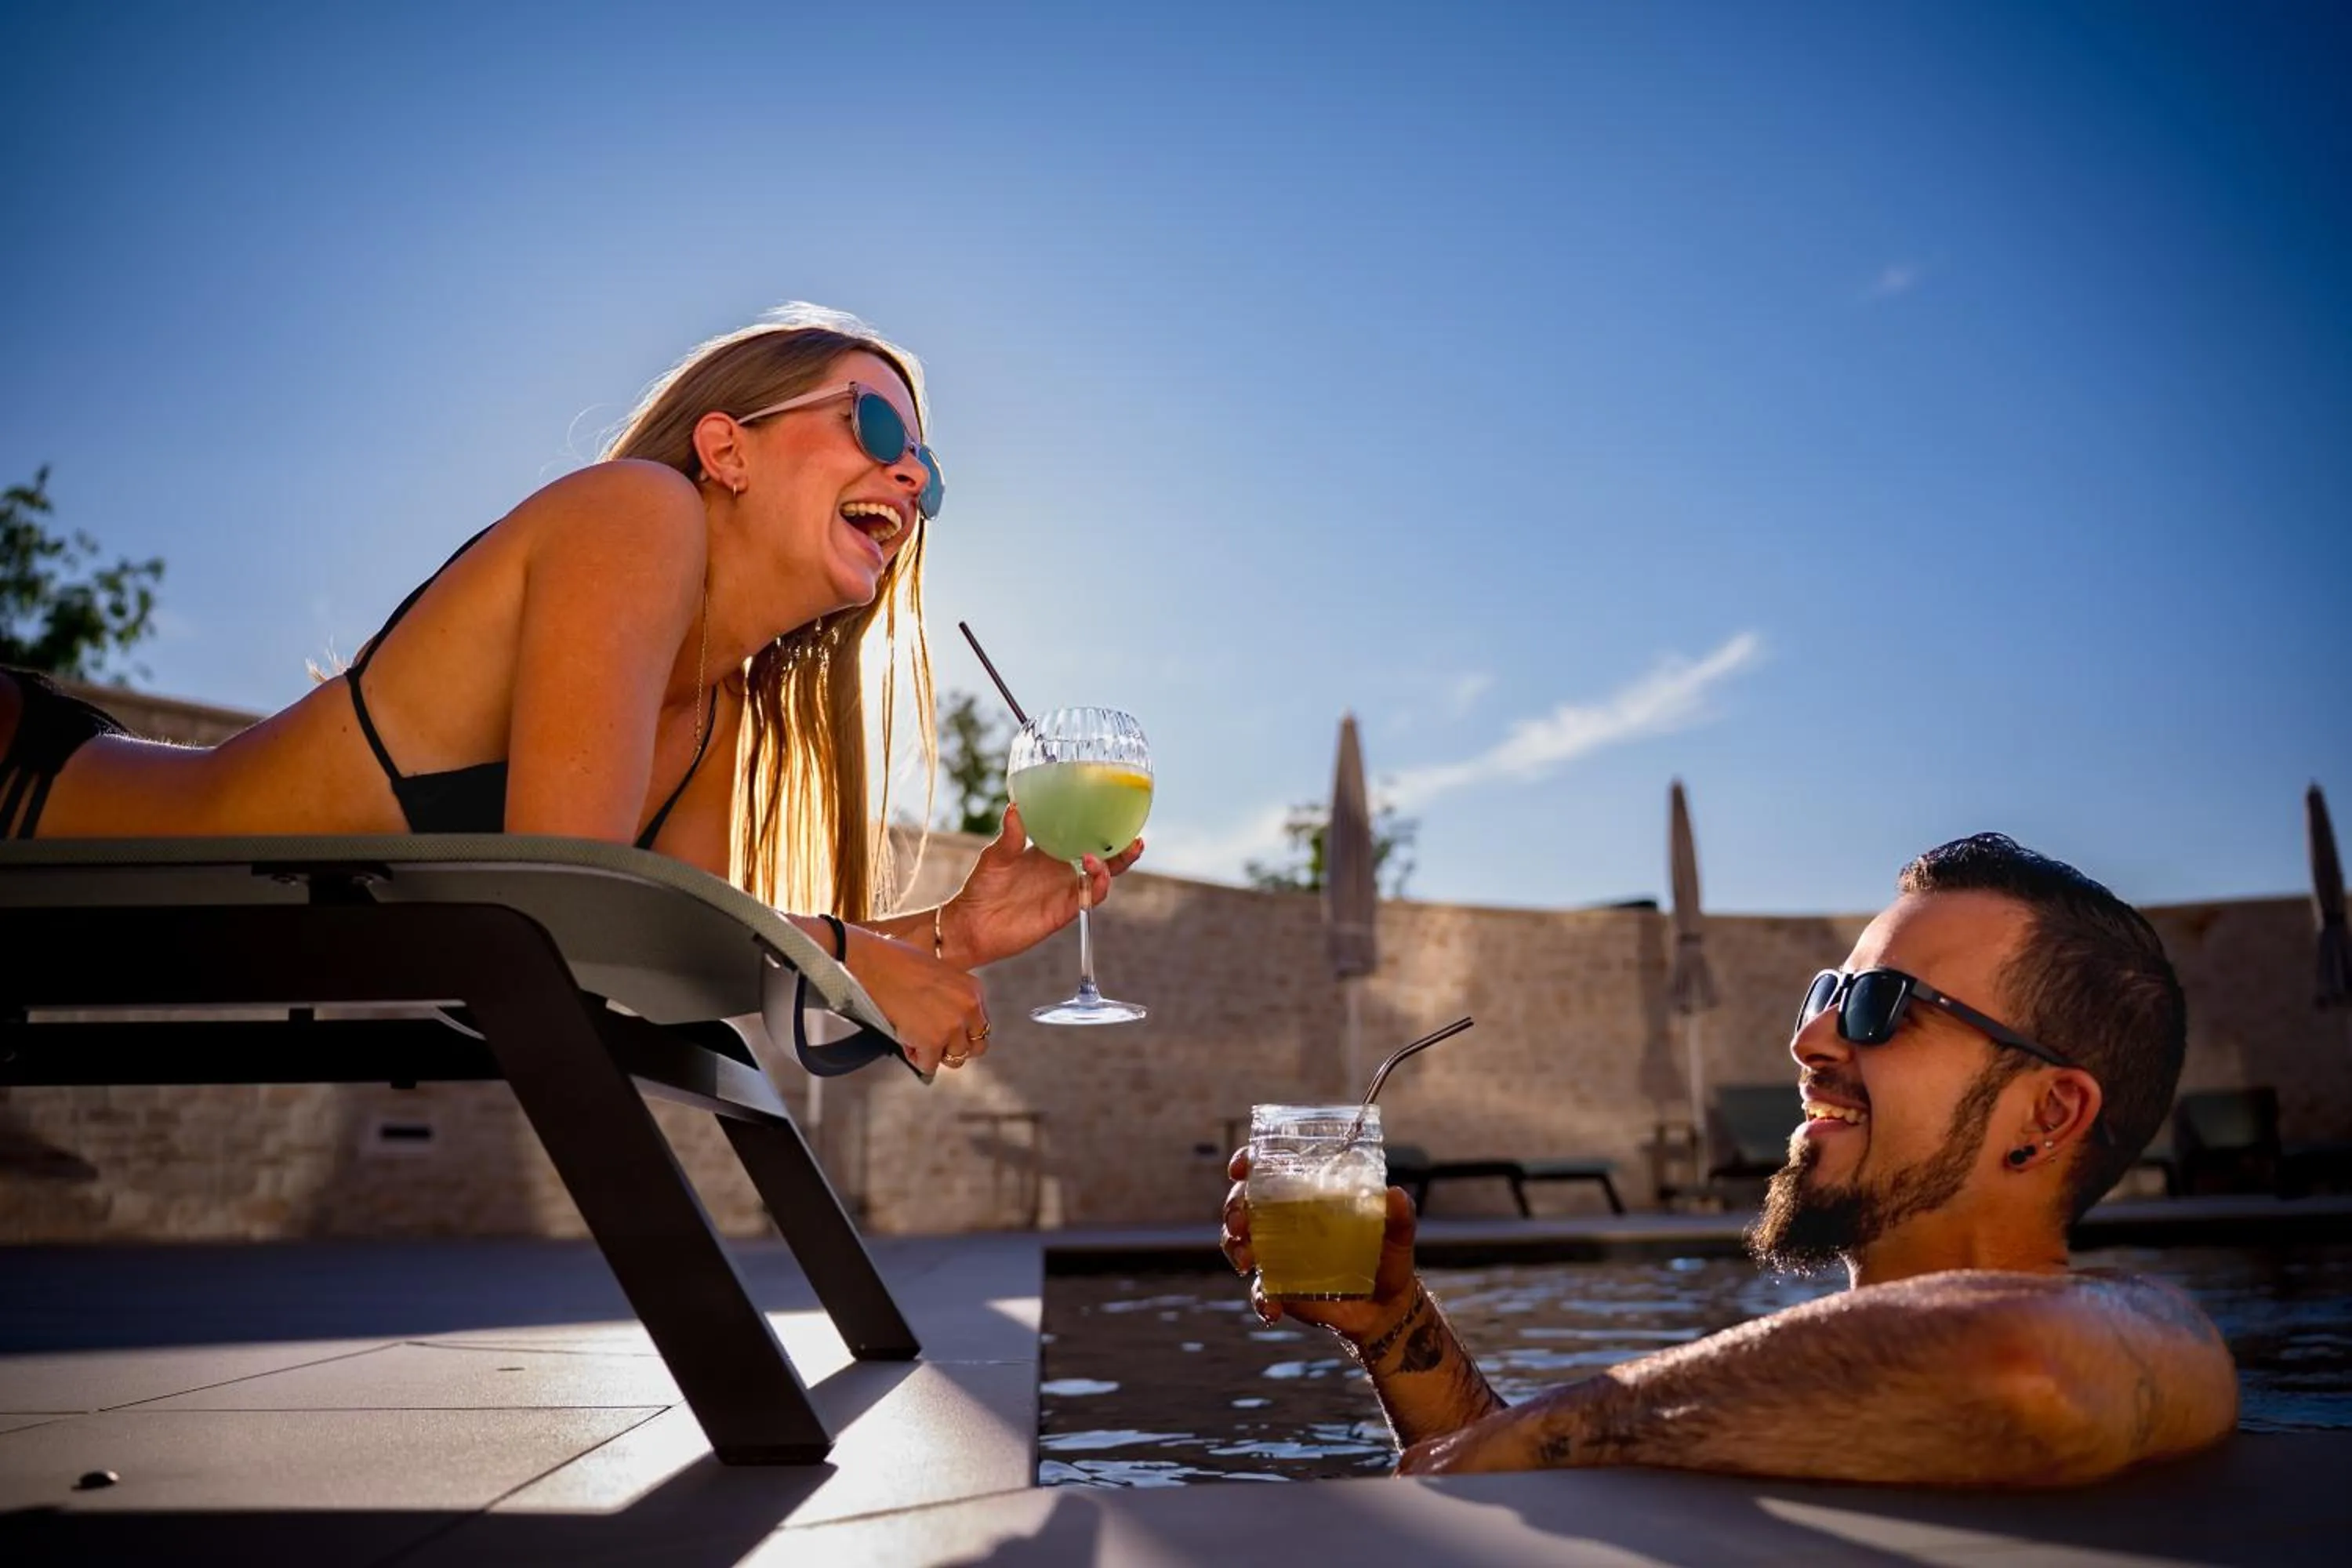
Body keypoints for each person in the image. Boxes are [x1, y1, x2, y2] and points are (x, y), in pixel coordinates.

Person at [0, 305, 1139, 1076]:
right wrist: (858, 948)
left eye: (925, 470)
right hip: (36, 816)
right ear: (727, 449)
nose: (908, 471)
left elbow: (662, 970)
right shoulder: (636, 514)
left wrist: (952, 932)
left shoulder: (718, 714)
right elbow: (571, 884)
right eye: (877, 424)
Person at [1220, 833, 2238, 1486]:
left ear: (2050, 1112)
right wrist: (1397, 1330)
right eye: (1825, 994)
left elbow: (2020, 1370)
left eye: (1880, 1007)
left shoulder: (2138, 1331)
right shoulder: (1791, 1372)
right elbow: (1499, 1467)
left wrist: (1546, 1429)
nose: (1810, 1041)